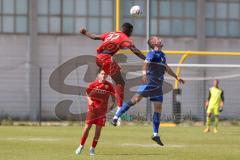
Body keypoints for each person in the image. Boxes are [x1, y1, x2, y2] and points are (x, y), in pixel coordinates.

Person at [111, 36, 184, 146]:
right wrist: (144, 74)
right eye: (157, 39)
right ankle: (116, 117)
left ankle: (155, 135)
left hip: (158, 85)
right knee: (135, 99)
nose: (160, 39)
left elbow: (166, 68)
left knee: (158, 108)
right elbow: (145, 64)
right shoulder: (152, 53)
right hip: (149, 82)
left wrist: (176, 77)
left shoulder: (162, 55)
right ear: (154, 43)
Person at [80, 23, 146, 122]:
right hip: (106, 58)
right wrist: (146, 59)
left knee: (112, 79)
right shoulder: (124, 37)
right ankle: (118, 111)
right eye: (131, 32)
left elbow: (94, 37)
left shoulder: (111, 34)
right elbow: (134, 50)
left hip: (98, 58)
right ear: (129, 31)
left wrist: (85, 32)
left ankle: (98, 103)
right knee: (120, 82)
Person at [75, 69, 115, 156]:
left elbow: (113, 96)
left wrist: (111, 105)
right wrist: (89, 100)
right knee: (87, 128)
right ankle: (81, 146)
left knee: (98, 132)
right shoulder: (94, 84)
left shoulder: (109, 86)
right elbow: (87, 92)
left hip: (102, 112)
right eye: (102, 73)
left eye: (105, 74)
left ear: (107, 76)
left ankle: (92, 149)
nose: (104, 75)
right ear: (99, 75)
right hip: (92, 110)